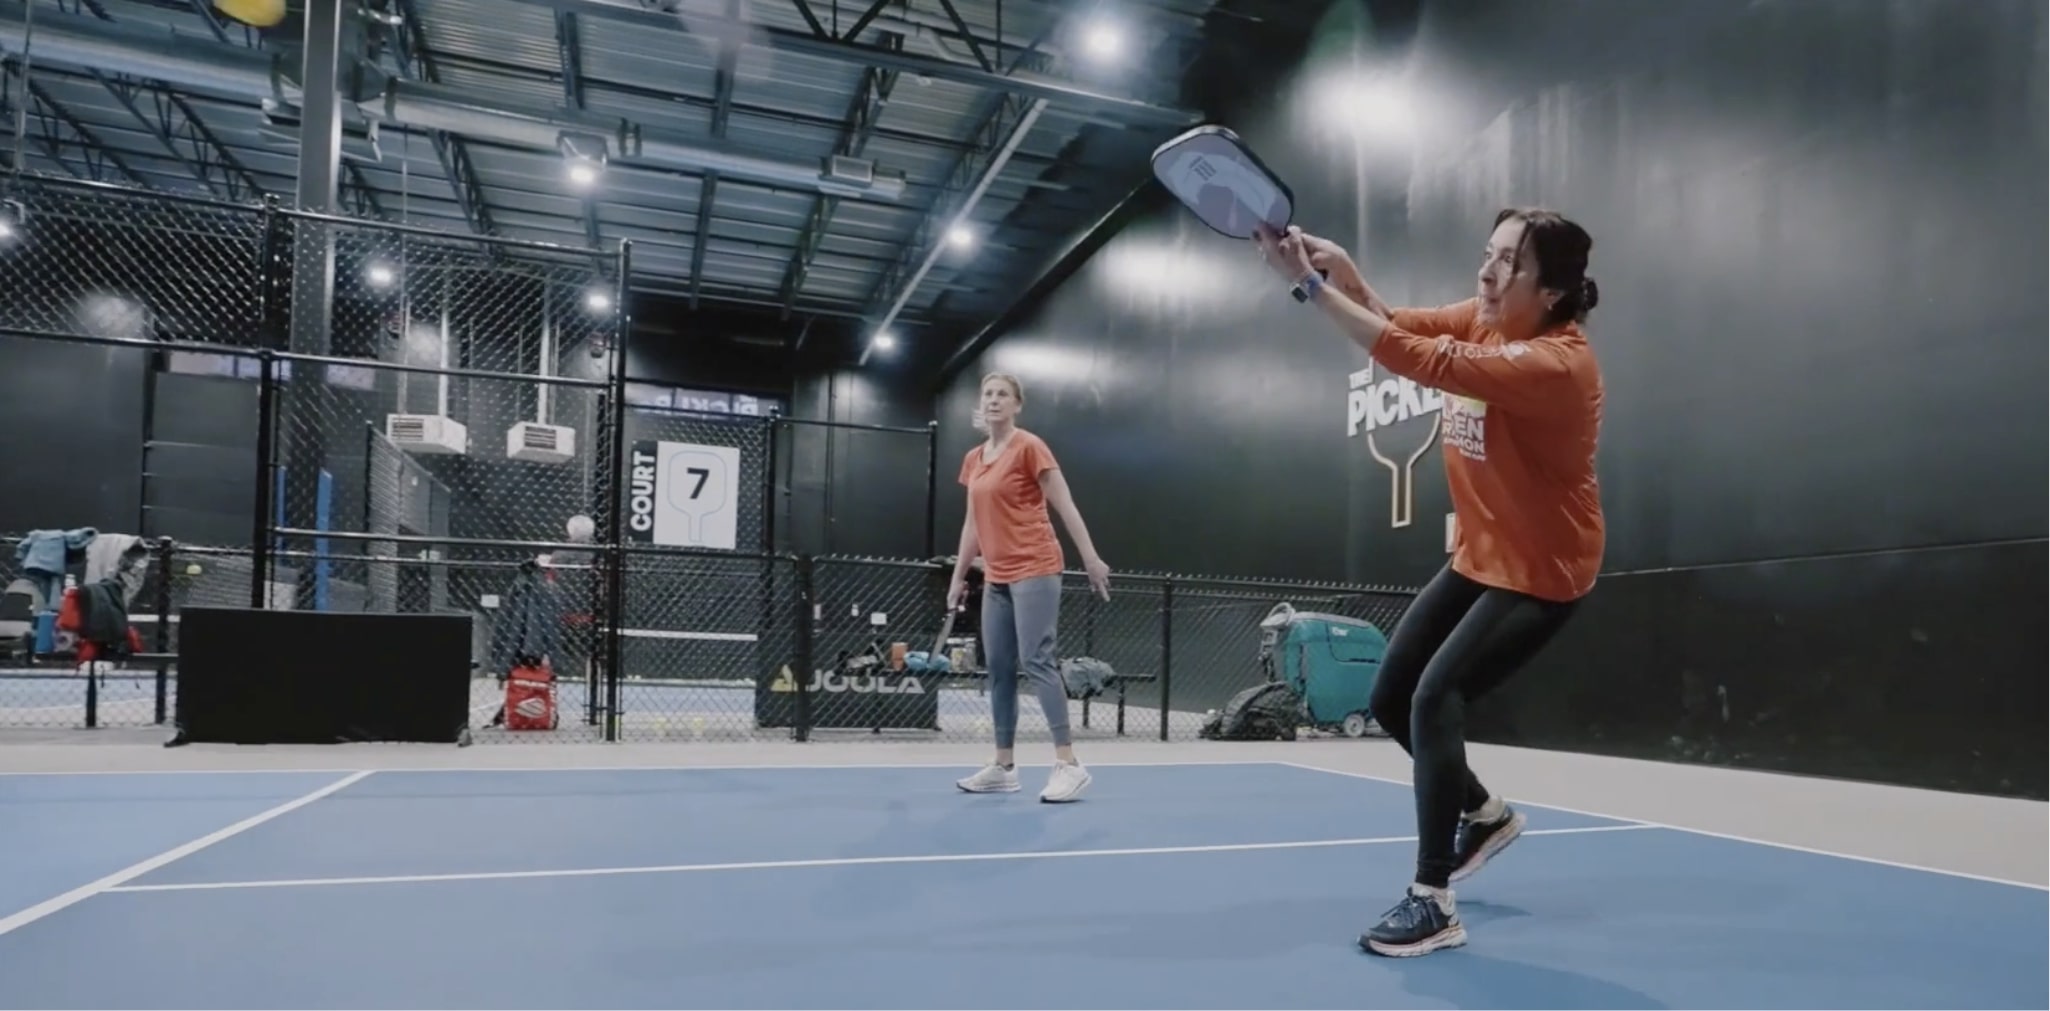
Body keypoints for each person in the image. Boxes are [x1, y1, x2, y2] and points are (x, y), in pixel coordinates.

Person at [1253, 209, 1606, 958]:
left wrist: (1310, 287)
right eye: (1488, 253)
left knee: (1433, 695)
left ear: (1550, 292)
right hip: (1483, 550)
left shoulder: (1556, 363)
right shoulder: (1482, 320)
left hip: (1544, 568)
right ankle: (1483, 813)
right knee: (1388, 696)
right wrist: (1342, 270)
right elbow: (1397, 323)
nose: (1487, 271)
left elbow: (1416, 359)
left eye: (1509, 263)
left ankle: (1433, 899)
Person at [947, 372, 1112, 803]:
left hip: (1036, 566)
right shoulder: (974, 457)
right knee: (999, 669)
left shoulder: (1030, 447)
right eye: (987, 394)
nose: (994, 400)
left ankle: (1069, 765)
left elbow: (1066, 504)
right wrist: (959, 575)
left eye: (1003, 394)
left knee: (1037, 659)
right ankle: (1003, 766)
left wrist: (1091, 559)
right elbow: (971, 524)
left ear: (1017, 404)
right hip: (997, 574)